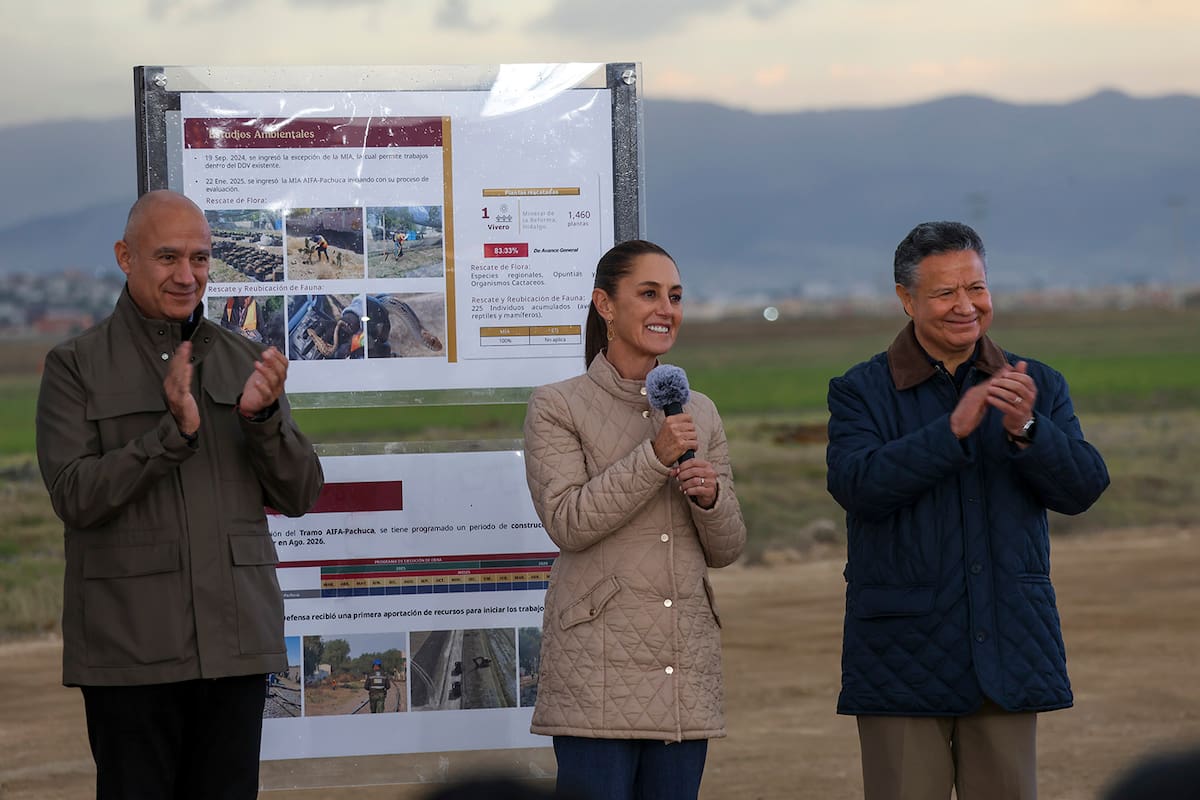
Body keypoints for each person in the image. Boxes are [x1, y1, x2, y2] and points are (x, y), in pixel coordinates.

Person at [35, 190, 325, 800]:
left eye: (199, 258)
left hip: (235, 646)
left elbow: (300, 492)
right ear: (125, 256)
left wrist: (263, 419)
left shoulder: (244, 359)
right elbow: (74, 495)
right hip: (130, 652)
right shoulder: (76, 366)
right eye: (167, 257)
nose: (187, 275)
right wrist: (171, 435)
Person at [825, 221, 1110, 800]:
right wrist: (949, 434)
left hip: (1006, 645)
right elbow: (858, 484)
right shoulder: (860, 390)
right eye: (945, 292)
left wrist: (1029, 429)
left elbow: (1082, 489)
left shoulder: (1037, 384)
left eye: (976, 288)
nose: (966, 306)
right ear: (906, 300)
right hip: (902, 657)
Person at [522, 239, 747, 800]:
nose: (665, 309)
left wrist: (709, 498)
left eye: (674, 296)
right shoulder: (557, 405)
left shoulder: (700, 410)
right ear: (605, 305)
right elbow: (568, 521)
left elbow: (728, 547)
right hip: (596, 671)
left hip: (681, 669)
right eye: (648, 294)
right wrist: (654, 458)